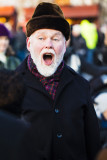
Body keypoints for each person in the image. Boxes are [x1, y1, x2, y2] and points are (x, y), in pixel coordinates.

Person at [16, 2, 101, 160]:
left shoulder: (80, 85)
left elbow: (93, 144)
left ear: (65, 44)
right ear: (29, 43)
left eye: (56, 39)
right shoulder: (12, 86)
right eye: (41, 38)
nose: (48, 45)